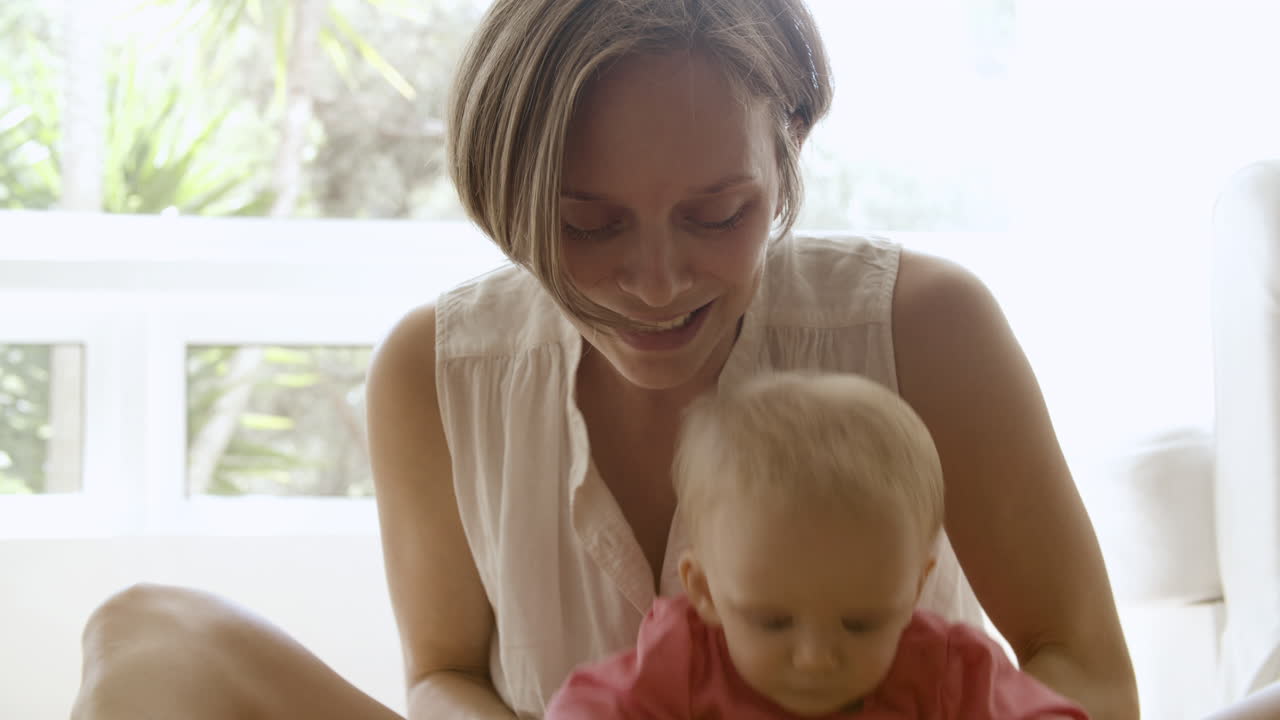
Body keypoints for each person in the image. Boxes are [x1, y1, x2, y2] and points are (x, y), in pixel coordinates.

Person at [70, 1, 1144, 719]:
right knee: (147, 636)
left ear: (785, 155)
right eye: (587, 226)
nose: (656, 280)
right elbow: (443, 675)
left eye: (718, 214)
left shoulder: (921, 325)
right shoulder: (434, 374)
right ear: (504, 198)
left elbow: (1086, 667)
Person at [544, 371, 1088, 719]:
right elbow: (583, 708)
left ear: (914, 588)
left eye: (862, 622)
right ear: (704, 590)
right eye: (772, 622)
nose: (816, 658)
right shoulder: (685, 661)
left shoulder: (946, 669)